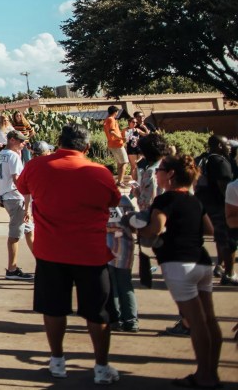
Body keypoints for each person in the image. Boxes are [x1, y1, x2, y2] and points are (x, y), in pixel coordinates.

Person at [17, 124, 121, 384]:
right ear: (86, 147)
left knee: (53, 309)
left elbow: (23, 189)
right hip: (92, 253)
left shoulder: (36, 166)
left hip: (51, 251)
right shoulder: (100, 172)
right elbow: (113, 201)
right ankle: (101, 367)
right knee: (98, 312)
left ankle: (57, 360)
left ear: (59, 142)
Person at [140, 156, 223, 388]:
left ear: (171, 174)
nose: (157, 173)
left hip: (178, 264)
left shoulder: (164, 200)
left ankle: (204, 377)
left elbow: (155, 228)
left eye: (161, 170)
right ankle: (211, 373)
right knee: (209, 320)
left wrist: (137, 228)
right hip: (202, 262)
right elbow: (209, 228)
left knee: (196, 323)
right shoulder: (194, 201)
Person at [195, 135, 235, 286]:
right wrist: (231, 206)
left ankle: (219, 266)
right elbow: (224, 187)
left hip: (206, 204)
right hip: (220, 205)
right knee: (227, 240)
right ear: (219, 145)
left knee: (219, 237)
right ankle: (229, 273)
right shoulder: (219, 161)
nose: (229, 147)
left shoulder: (204, 158)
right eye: (226, 144)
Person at [0, 131, 35, 281]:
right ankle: (12, 269)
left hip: (7, 196)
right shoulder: (13, 156)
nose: (23, 143)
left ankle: (42, 264)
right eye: (21, 141)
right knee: (15, 234)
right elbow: (17, 178)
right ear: (12, 140)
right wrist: (27, 200)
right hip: (15, 197)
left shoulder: (1, 154)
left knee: (28, 230)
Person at [106, 184, 139, 332]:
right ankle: (131, 320)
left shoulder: (100, 200)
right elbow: (134, 224)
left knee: (112, 286)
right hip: (126, 246)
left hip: (107, 246)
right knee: (125, 284)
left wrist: (110, 229)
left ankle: (115, 319)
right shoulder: (124, 200)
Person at [102, 106, 128, 185]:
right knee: (125, 162)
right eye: (117, 112)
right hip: (117, 144)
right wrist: (121, 137)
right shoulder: (111, 119)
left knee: (120, 163)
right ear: (115, 112)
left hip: (112, 144)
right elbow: (112, 132)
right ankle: (120, 181)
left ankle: (119, 180)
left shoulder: (107, 119)